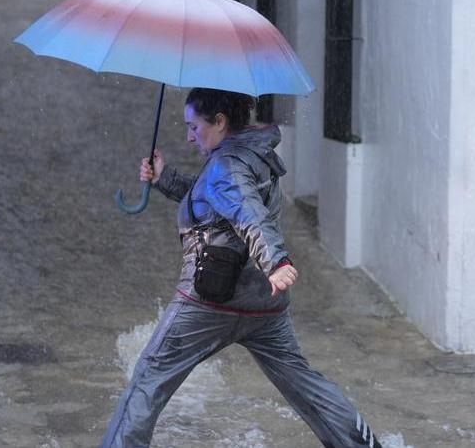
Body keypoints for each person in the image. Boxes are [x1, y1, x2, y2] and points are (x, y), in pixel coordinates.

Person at [100, 88, 382, 447]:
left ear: (220, 121)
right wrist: (164, 178)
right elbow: (217, 199)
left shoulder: (226, 165)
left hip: (209, 301)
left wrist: (276, 261)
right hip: (264, 303)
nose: (189, 136)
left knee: (148, 380)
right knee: (304, 384)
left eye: (194, 126)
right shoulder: (251, 151)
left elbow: (249, 214)